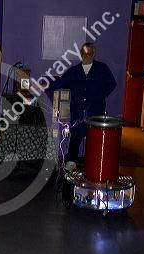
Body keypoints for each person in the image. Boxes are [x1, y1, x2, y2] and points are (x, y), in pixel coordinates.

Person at [49, 42, 117, 170]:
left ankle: (94, 163)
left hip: (95, 111)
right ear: (81, 54)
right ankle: (71, 161)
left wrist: (102, 96)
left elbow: (112, 83)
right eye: (84, 54)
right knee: (75, 136)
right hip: (78, 111)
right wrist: (41, 85)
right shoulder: (74, 71)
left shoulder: (102, 69)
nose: (87, 56)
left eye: (89, 54)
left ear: (93, 54)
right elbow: (59, 82)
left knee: (95, 138)